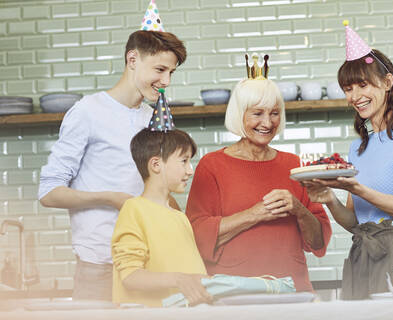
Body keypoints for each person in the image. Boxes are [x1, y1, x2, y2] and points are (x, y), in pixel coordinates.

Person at [38, 29, 187, 300]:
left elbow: (161, 191)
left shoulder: (156, 120)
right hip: (101, 268)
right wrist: (112, 198)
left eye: (171, 73)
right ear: (132, 59)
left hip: (151, 266)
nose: (165, 81)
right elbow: (49, 193)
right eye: (160, 69)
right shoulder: (87, 112)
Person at [303, 22, 393, 299]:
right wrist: (329, 198)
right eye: (348, 88)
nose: (354, 96)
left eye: (363, 85)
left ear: (387, 83)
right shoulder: (359, 148)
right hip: (363, 252)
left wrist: (357, 188)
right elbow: (355, 221)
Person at [185, 55, 332, 292]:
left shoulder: (294, 165)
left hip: (291, 292)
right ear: (239, 114)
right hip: (233, 294)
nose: (267, 122)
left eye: (274, 113)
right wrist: (255, 214)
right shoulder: (212, 165)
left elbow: (319, 242)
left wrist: (299, 209)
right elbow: (197, 237)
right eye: (257, 113)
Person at [111, 128, 212, 307]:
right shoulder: (134, 209)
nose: (190, 170)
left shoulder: (181, 218)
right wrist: (179, 280)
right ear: (156, 165)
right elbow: (130, 276)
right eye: (184, 161)